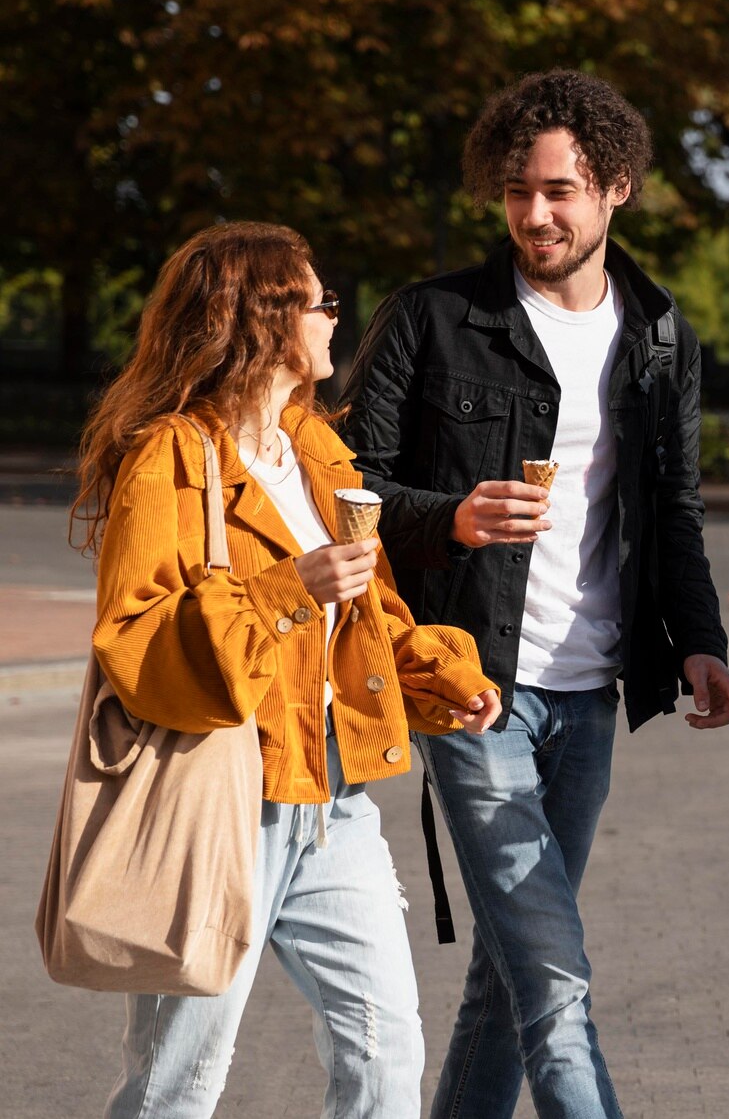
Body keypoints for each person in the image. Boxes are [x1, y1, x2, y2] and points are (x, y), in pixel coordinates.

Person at [341, 68, 729, 1119]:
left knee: (511, 967)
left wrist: (699, 642)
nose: (534, 214)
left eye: (558, 190)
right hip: (473, 683)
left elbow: (673, 511)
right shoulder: (433, 319)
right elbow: (345, 487)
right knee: (554, 974)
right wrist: (451, 517)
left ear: (615, 188)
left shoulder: (660, 336)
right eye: (517, 191)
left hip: (589, 688)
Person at [73, 221, 501, 1119]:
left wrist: (438, 673)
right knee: (178, 1082)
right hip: (219, 802)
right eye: (320, 302)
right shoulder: (170, 460)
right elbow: (135, 640)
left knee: (388, 1053)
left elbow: (370, 611)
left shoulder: (315, 449)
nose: (335, 319)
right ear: (266, 322)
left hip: (332, 799)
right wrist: (281, 590)